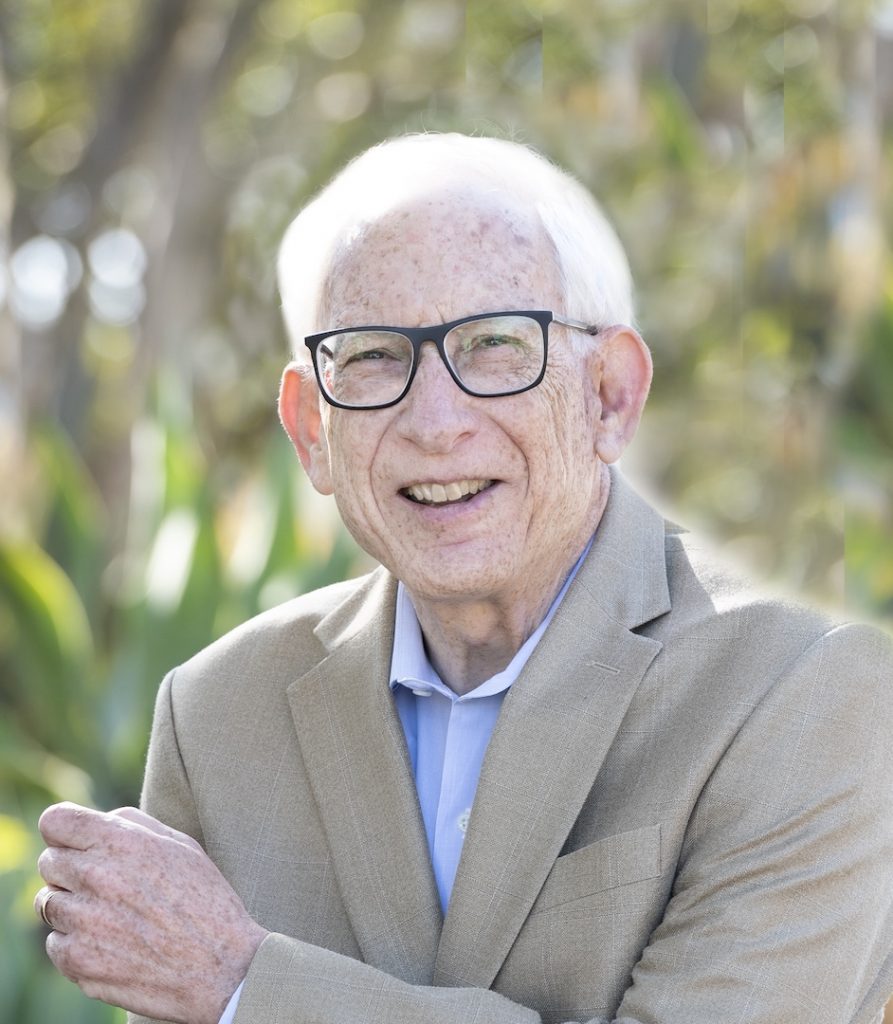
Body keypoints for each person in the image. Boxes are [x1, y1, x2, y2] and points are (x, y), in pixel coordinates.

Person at [34, 132, 893, 1024]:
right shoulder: (216, 716)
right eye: (371, 356)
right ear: (310, 431)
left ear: (610, 396)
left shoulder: (806, 692)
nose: (435, 421)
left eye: (493, 344)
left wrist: (248, 988)